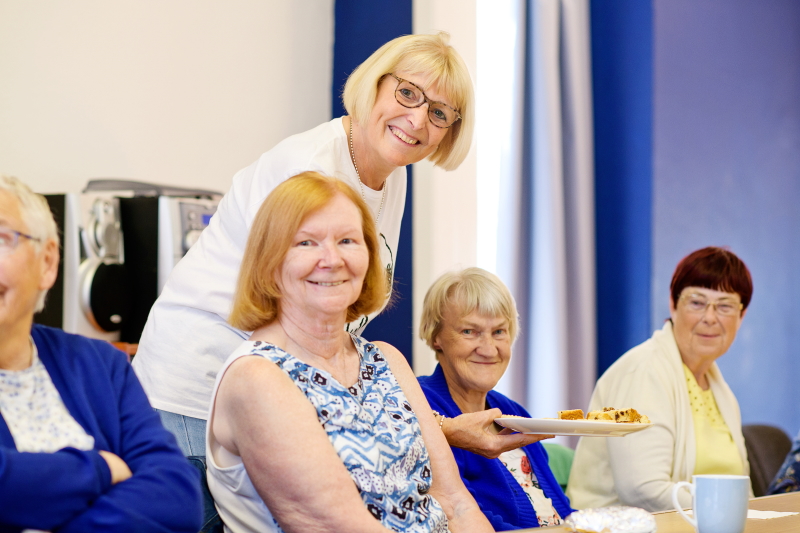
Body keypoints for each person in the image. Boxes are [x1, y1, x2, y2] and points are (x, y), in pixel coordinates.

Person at [132, 31, 540, 463]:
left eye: (438, 113)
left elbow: (335, 327)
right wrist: (438, 429)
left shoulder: (392, 174)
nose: (418, 120)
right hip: (198, 388)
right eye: (407, 93)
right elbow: (300, 333)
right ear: (376, 84)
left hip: (272, 393)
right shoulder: (311, 169)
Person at [205, 172, 493, 532]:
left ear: (370, 256)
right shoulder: (258, 377)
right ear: (270, 262)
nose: (332, 259)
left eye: (347, 240)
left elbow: (455, 503)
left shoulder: (385, 359)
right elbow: (337, 525)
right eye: (306, 243)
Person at [0, 176, 202, 532]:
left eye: (2, 238)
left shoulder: (101, 365)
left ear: (47, 263)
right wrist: (102, 470)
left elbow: (178, 496)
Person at [567, 246, 752, 512]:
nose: (710, 318)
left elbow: (742, 490)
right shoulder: (644, 371)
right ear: (673, 304)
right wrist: (731, 511)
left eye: (725, 306)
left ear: (741, 315)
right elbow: (642, 491)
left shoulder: (719, 389)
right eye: (697, 302)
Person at [416, 268, 574, 530]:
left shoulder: (513, 411)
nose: (489, 349)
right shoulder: (423, 408)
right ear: (436, 336)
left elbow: (562, 511)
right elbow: (464, 518)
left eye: (499, 331)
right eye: (469, 331)